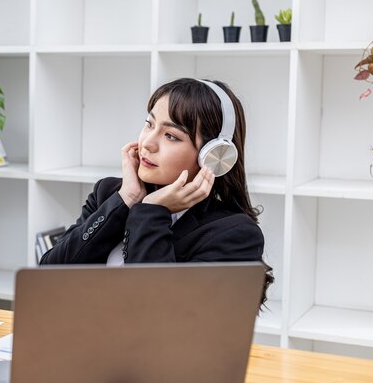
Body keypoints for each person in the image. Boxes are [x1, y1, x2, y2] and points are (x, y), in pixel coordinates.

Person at [40, 77, 273, 305]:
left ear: (213, 156)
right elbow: (49, 278)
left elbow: (155, 311)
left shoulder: (234, 234)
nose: (148, 143)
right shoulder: (110, 193)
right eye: (149, 124)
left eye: (171, 136)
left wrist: (150, 212)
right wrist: (128, 199)